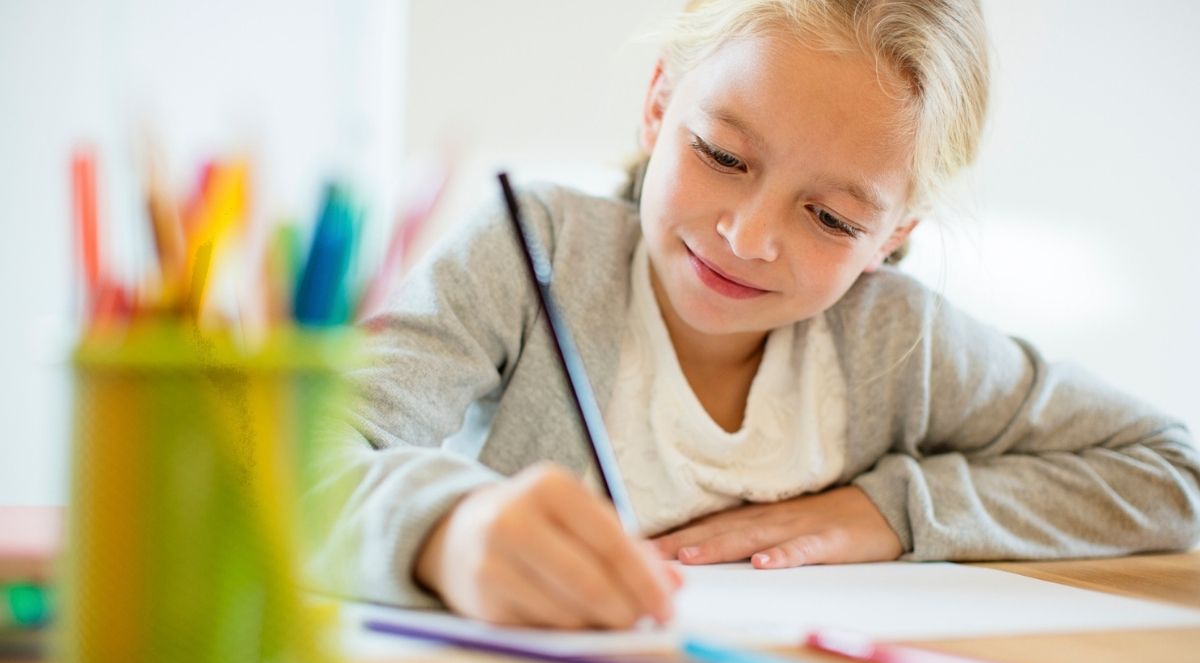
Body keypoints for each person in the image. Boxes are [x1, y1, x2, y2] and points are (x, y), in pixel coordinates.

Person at [311, 0, 1200, 630]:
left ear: (892, 237)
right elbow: (290, 459)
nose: (748, 235)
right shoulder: (529, 251)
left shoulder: (899, 343)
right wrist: (443, 531)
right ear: (659, 104)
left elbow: (1175, 474)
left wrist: (893, 510)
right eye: (723, 155)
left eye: (833, 219)